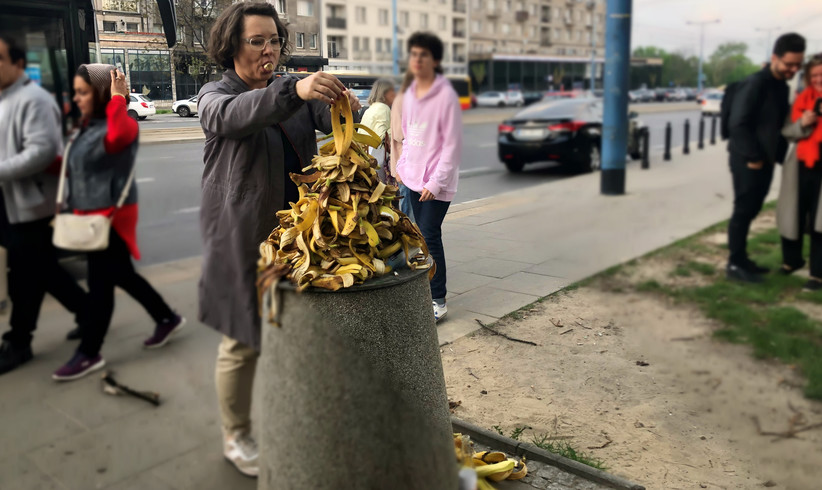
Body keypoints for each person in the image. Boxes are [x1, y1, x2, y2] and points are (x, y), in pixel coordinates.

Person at [197, 2, 360, 478]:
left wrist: (347, 106)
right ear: (232, 46)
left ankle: (301, 418)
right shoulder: (216, 95)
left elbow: (330, 119)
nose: (268, 50)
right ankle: (236, 434)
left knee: (299, 333)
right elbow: (236, 116)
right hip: (244, 238)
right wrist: (294, 88)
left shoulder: (289, 92)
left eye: (274, 41)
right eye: (257, 41)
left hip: (299, 237)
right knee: (243, 340)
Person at [51, 64, 184, 381]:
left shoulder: (120, 124)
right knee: (122, 275)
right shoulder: (87, 126)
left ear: (100, 95)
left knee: (100, 287)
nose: (76, 98)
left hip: (109, 217)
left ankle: (89, 352)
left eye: (83, 93)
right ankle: (166, 317)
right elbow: (72, 164)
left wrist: (118, 98)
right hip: (90, 215)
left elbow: (119, 136)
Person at [0, 35, 91, 375]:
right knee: (40, 270)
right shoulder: (5, 99)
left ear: (19, 63)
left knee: (26, 273)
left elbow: (41, 152)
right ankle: (89, 313)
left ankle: (19, 341)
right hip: (11, 202)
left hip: (32, 204)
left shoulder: (34, 99)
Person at [726, 33, 806, 283]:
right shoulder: (755, 83)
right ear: (774, 58)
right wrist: (755, 157)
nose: (793, 70)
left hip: (765, 160)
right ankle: (734, 264)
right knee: (743, 210)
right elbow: (737, 124)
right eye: (788, 64)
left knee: (752, 209)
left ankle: (742, 259)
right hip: (748, 159)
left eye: (797, 65)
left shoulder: (780, 85)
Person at [395, 32, 462, 322]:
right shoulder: (411, 94)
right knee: (418, 237)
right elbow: (408, 136)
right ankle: (424, 292)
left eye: (424, 55)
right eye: (414, 54)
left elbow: (452, 146)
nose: (417, 60)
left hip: (436, 185)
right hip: (412, 180)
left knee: (430, 236)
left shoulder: (446, 96)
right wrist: (402, 167)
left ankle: (438, 299)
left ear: (435, 60)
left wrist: (435, 182)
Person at [777, 54, 822, 291]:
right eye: (814, 75)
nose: (818, 79)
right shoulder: (802, 100)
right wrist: (802, 124)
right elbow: (787, 132)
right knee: (792, 212)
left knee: (820, 220)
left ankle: (818, 274)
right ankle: (792, 260)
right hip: (800, 165)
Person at [390, 71, 416, 221]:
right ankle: (408, 231)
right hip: (404, 162)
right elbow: (399, 134)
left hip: (410, 163)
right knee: (407, 205)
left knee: (410, 203)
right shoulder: (403, 99)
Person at [360, 78, 395, 181]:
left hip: (364, 155)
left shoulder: (370, 108)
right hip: (377, 159)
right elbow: (381, 136)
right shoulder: (384, 108)